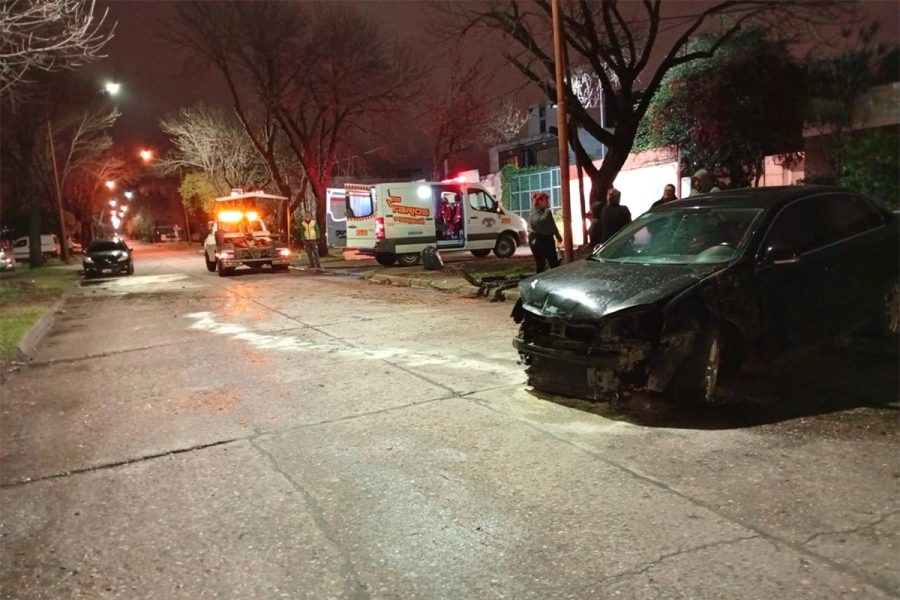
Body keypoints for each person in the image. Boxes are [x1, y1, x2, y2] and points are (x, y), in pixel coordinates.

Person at [528, 191, 562, 273]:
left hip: (548, 238)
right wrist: (547, 211)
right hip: (538, 238)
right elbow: (538, 221)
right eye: (546, 200)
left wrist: (557, 235)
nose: (548, 202)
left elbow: (552, 224)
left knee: (554, 262)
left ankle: (554, 279)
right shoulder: (534, 211)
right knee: (540, 263)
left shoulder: (546, 212)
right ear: (540, 201)